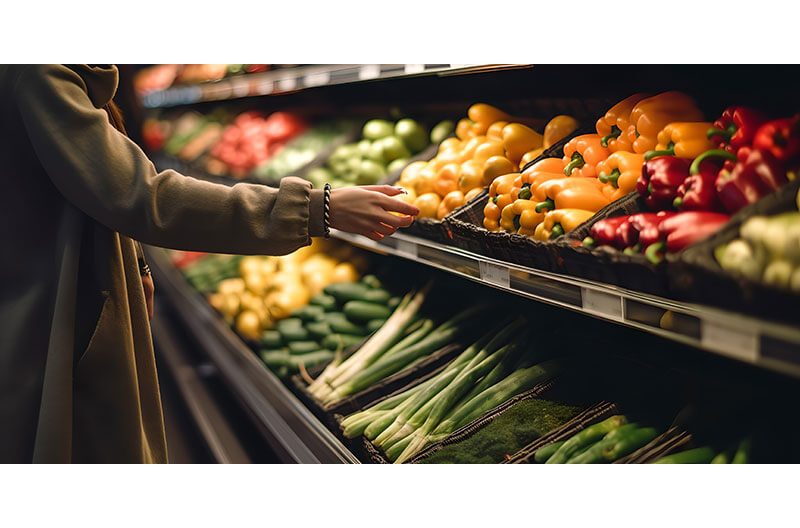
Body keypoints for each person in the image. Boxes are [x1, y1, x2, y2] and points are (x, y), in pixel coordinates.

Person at [0, 64, 419, 463]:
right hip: (52, 305)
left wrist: (139, 266)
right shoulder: (39, 71)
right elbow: (144, 198)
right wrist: (316, 208)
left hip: (65, 290)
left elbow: (97, 193)